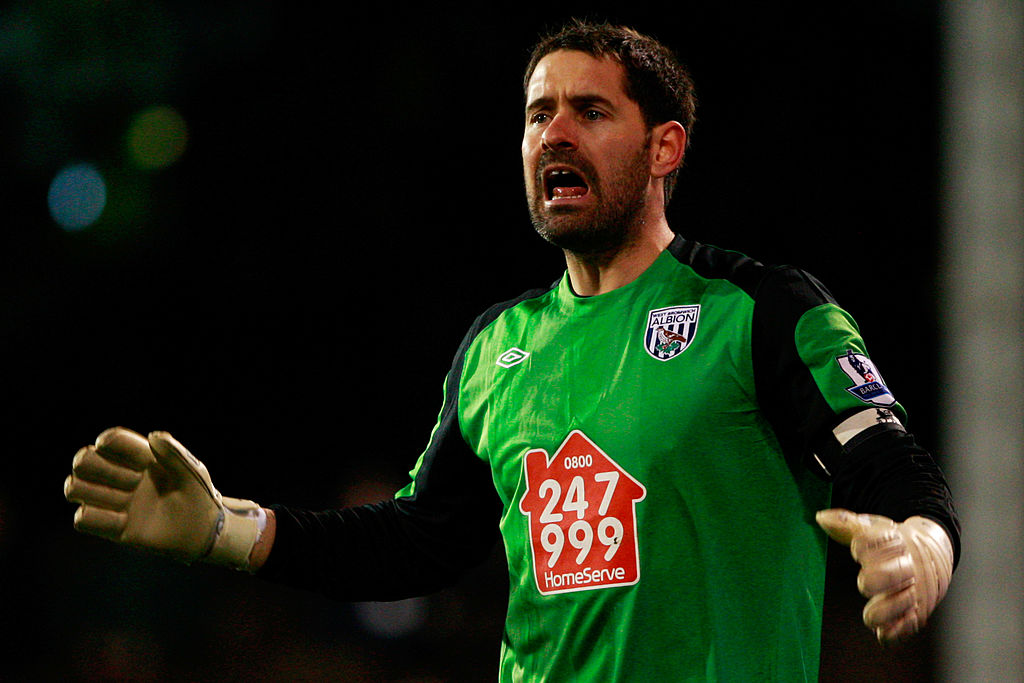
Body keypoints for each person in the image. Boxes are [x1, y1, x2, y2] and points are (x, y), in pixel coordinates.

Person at [64, 20, 960, 682]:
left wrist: (922, 546)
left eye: (590, 111)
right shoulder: (498, 348)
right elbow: (416, 542)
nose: (555, 133)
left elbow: (890, 462)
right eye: (538, 115)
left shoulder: (757, 310)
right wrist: (227, 528)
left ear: (664, 147)